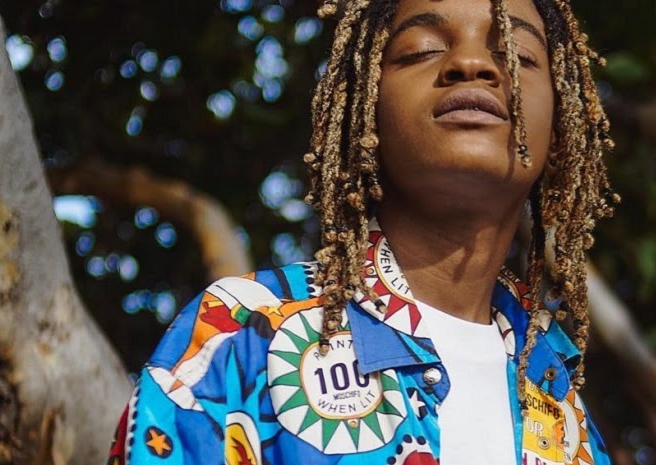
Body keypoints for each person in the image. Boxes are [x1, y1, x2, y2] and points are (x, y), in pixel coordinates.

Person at [106, 0, 618, 463]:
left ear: (561, 130)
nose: (472, 64)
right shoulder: (243, 332)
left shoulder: (563, 407)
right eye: (423, 50)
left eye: (518, 55)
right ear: (362, 109)